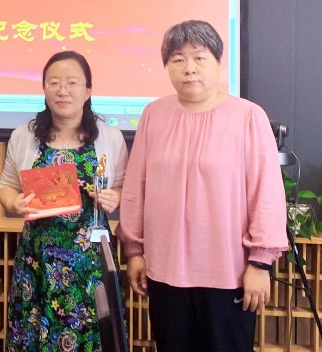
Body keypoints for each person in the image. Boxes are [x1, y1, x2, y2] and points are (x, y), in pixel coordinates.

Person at [116, 20, 289, 352]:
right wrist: (134, 251)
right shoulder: (154, 114)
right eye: (178, 59)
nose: (189, 68)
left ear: (218, 61)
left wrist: (260, 263)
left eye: (199, 57)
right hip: (165, 272)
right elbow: (137, 186)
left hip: (229, 274)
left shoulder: (248, 116)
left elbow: (266, 193)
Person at [0, 50, 129, 351]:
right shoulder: (24, 135)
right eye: (54, 82)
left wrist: (114, 197)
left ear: (88, 90)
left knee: (94, 335)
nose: (62, 90)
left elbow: (124, 187)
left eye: (72, 82)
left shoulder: (110, 137)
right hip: (37, 259)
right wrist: (14, 203)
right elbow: (6, 187)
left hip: (90, 260)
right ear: (44, 89)